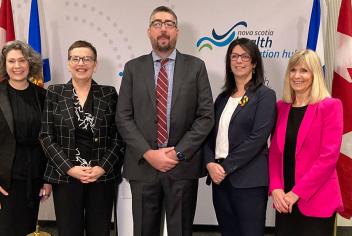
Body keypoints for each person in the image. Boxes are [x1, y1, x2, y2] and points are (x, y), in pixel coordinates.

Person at [116, 6, 214, 236]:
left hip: (181, 166)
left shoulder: (196, 67)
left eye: (169, 24)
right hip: (143, 166)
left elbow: (205, 116)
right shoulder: (133, 68)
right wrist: (149, 154)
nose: (163, 29)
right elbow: (123, 117)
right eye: (157, 24)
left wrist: (177, 153)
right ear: (149, 31)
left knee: (181, 231)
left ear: (177, 32)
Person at [39, 40, 124, 236]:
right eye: (76, 58)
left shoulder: (108, 93)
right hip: (66, 176)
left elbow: (118, 137)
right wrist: (70, 168)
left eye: (87, 59)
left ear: (95, 65)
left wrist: (102, 167)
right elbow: (46, 136)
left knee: (99, 230)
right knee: (69, 231)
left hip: (101, 176)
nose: (81, 63)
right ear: (69, 63)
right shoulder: (55, 92)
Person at [203, 38, 276, 236]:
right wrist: (210, 164)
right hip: (220, 181)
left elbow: (257, 139)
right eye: (234, 56)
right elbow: (208, 136)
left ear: (254, 63)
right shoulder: (222, 98)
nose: (239, 61)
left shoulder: (264, 95)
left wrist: (224, 167)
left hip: (249, 181)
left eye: (245, 56)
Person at [269, 49, 343, 236]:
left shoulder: (330, 106)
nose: (297, 76)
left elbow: (328, 158)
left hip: (316, 200)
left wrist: (296, 193)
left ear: (315, 74)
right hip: (284, 201)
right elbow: (275, 153)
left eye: (304, 70)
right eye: (293, 70)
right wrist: (276, 188)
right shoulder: (281, 107)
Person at [0, 40, 52, 236]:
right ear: (4, 65)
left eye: (22, 60)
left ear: (30, 63)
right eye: (11, 61)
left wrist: (47, 179)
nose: (17, 66)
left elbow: (48, 140)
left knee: (28, 230)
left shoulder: (43, 96)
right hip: (5, 180)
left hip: (34, 176)